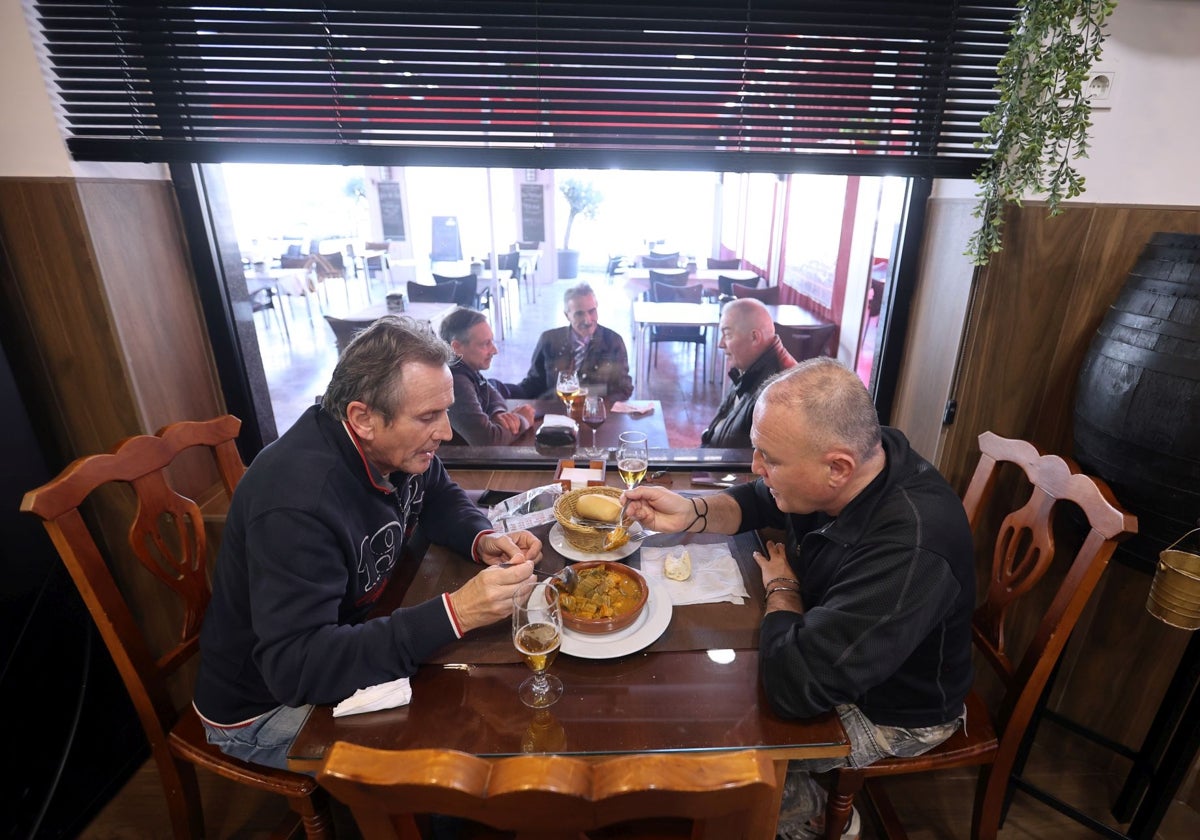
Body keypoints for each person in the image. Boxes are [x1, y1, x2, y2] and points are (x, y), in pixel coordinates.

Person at [622, 358, 974, 840]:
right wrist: (692, 513)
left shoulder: (911, 543)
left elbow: (797, 687)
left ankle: (810, 813)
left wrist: (782, 590)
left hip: (891, 709)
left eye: (771, 458)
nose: (757, 467)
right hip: (830, 647)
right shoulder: (858, 461)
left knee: (717, 753)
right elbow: (763, 496)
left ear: (837, 468)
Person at [194, 315, 543, 771]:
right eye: (427, 417)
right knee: (450, 755)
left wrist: (482, 538)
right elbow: (298, 668)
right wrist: (456, 614)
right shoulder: (296, 502)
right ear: (363, 418)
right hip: (263, 708)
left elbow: (436, 494)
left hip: (351, 631)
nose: (445, 432)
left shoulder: (392, 448)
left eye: (445, 411)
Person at [498, 282, 634, 402]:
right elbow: (535, 383)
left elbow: (624, 389)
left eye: (592, 311)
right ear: (566, 315)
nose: (588, 320)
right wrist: (505, 393)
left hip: (595, 415)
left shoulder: (613, 341)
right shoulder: (549, 340)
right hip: (555, 414)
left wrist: (592, 403)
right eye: (579, 314)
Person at [702, 297, 798, 448]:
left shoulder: (778, 393)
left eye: (727, 335)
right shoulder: (747, 368)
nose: (720, 344)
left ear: (754, 337)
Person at [439, 307, 536, 445]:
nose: (494, 350)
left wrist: (498, 414)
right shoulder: (455, 382)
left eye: (492, 342)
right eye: (486, 344)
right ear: (456, 347)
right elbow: (488, 440)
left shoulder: (464, 368)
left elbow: (492, 392)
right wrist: (522, 420)